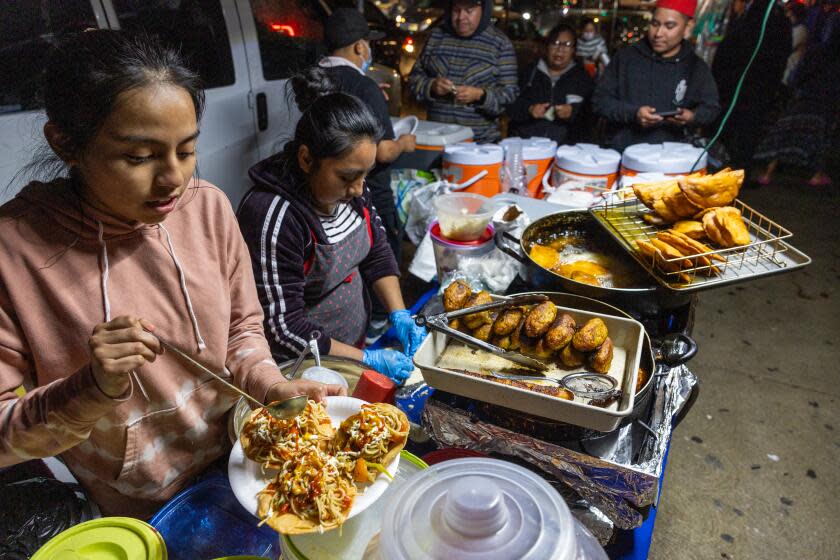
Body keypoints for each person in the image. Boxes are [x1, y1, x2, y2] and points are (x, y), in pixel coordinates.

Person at [0, 31, 343, 519]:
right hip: (135, 501)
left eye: (186, 150)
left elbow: (241, 328)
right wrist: (91, 389)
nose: (173, 180)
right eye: (139, 157)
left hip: (238, 461)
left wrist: (269, 386)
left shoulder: (207, 208)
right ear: (65, 142)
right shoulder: (15, 252)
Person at [237, 69, 427, 385]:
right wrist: (369, 359)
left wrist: (399, 313)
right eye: (347, 177)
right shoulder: (275, 215)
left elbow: (376, 250)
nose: (358, 189)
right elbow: (283, 328)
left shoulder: (353, 188)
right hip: (301, 368)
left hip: (350, 348)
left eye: (365, 175)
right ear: (307, 159)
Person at [317, 8, 416, 263]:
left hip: (324, 193)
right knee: (378, 261)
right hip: (366, 193)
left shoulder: (313, 79)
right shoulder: (365, 87)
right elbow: (382, 152)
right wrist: (404, 144)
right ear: (360, 47)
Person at [592, 0, 720, 151]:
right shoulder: (626, 57)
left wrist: (692, 116)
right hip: (622, 154)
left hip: (671, 158)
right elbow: (599, 101)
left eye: (669, 26)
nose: (658, 33)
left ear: (688, 27)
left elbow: (712, 109)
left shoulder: (696, 67)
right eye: (654, 24)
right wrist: (634, 114)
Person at [408, 0, 518, 143]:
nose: (461, 17)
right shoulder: (436, 37)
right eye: (456, 10)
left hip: (479, 144)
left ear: (483, 11)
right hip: (437, 140)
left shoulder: (500, 44)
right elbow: (413, 80)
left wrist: (480, 95)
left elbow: (510, 97)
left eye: (469, 11)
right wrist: (431, 86)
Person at [753, 18, 839, 187]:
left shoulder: (815, 51)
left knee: (785, 133)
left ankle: (768, 172)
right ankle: (815, 174)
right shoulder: (835, 59)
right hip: (826, 103)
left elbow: (798, 74)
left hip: (803, 97)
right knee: (820, 139)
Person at [712, 0, 791, 168]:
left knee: (740, 129)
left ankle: (731, 167)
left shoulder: (763, 19)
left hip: (746, 86)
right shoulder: (768, 19)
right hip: (752, 87)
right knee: (744, 130)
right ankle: (735, 167)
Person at [508, 23, 595, 144]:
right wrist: (530, 110)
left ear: (574, 50)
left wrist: (573, 112)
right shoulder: (529, 73)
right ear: (547, 46)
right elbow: (510, 106)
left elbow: (592, 116)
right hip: (527, 147)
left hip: (565, 151)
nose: (560, 49)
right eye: (555, 43)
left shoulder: (583, 79)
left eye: (567, 45)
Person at [782, 2, 809, 87]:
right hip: (787, 68)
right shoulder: (794, 27)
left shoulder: (801, 29)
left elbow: (789, 46)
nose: (787, 15)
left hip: (790, 69)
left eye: (789, 12)